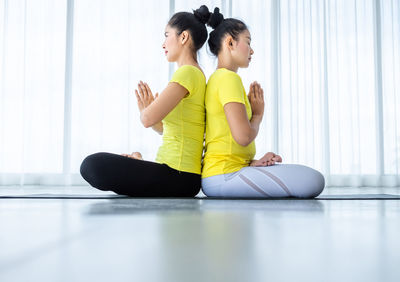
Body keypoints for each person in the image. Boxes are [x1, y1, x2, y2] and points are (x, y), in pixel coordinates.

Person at [80, 6, 213, 197]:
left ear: (183, 37)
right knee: (98, 165)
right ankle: (139, 163)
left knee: (92, 165)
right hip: (179, 175)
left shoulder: (188, 72)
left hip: (179, 175)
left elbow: (147, 119)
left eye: (167, 35)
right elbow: (167, 129)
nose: (163, 43)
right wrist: (149, 112)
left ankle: (138, 164)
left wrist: (146, 110)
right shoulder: (195, 74)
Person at [202, 8, 325, 198]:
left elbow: (226, 141)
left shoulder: (218, 79)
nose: (252, 50)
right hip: (224, 175)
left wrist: (254, 163)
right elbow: (243, 136)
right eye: (248, 42)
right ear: (230, 42)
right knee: (314, 180)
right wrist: (258, 115)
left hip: (225, 173)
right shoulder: (228, 79)